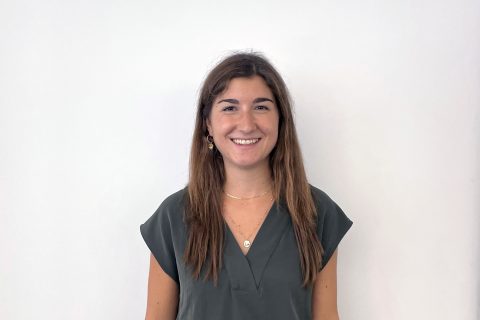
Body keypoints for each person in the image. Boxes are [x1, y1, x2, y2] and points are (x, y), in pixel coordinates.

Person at [140, 52, 353, 320]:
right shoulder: (173, 217)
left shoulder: (316, 213)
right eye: (230, 107)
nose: (246, 124)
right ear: (208, 124)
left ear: (280, 120)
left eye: (261, 107)